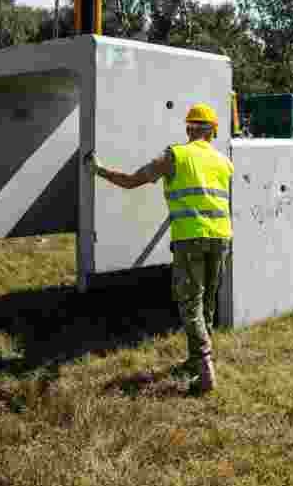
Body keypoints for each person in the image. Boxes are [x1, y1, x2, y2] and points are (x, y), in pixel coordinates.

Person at [85, 103, 234, 395]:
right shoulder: (224, 162)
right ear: (213, 132)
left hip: (190, 238)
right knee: (207, 303)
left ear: (189, 129)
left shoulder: (174, 155)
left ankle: (204, 365)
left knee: (190, 302)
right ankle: (196, 360)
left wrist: (98, 170)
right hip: (222, 237)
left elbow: (132, 181)